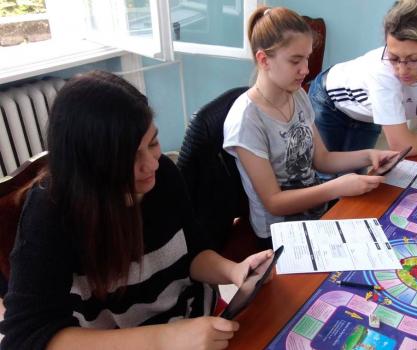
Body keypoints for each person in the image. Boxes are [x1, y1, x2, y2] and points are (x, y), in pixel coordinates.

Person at [0, 71, 273, 350]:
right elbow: (24, 338)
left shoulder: (163, 175)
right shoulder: (49, 213)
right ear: (89, 167)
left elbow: (193, 250)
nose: (151, 165)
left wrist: (234, 271)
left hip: (195, 323)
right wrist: (165, 339)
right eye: (129, 157)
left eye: (153, 143)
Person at [223, 7, 398, 247]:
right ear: (264, 60)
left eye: (307, 57)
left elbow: (322, 160)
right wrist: (336, 187)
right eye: (296, 60)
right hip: (279, 235)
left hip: (315, 215)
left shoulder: (297, 96)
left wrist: (369, 155)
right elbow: (274, 202)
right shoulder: (246, 120)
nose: (306, 69)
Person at [309, 0, 417, 158]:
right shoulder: (382, 70)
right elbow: (401, 145)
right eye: (393, 57)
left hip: (367, 113)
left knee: (355, 172)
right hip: (329, 101)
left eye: (413, 59)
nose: (401, 70)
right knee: (329, 175)